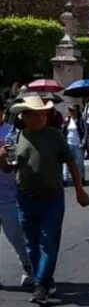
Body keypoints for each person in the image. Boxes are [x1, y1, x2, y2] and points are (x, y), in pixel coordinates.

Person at [0, 96, 89, 306]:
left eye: (43, 114)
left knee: (48, 243)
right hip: (24, 199)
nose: (41, 118)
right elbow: (7, 168)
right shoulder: (16, 138)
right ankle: (46, 281)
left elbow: (72, 163)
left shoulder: (54, 136)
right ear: (25, 116)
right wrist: (2, 158)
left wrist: (79, 190)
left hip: (52, 198)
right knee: (31, 245)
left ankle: (40, 284)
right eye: (35, 114)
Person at [0, 105, 34, 289]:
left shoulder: (11, 134)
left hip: (9, 195)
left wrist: (5, 156)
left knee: (15, 236)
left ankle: (27, 266)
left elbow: (13, 164)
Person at [61, 104, 87, 186]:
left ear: (77, 111)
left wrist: (83, 141)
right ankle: (65, 179)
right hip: (68, 143)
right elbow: (64, 131)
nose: (71, 112)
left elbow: (85, 132)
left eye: (73, 110)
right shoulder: (68, 120)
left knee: (79, 163)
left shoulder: (81, 120)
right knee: (66, 162)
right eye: (70, 110)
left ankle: (81, 178)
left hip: (78, 144)